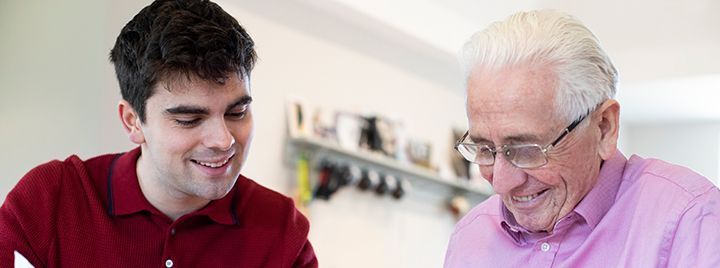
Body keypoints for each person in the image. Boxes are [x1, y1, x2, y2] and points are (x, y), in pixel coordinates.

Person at [0, 0, 318, 267]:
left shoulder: (282, 233)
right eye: (190, 119)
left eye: (237, 112)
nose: (223, 140)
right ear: (132, 122)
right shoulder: (49, 202)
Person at [444, 10, 720, 267]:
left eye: (526, 149)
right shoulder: (471, 236)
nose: (501, 184)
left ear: (603, 127)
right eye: (484, 148)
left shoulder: (690, 220)